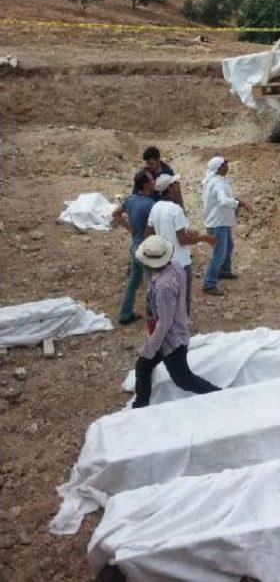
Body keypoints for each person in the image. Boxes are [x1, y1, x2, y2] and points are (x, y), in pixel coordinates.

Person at [131, 235, 220, 408]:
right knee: (143, 367)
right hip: (177, 331)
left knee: (183, 380)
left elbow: (164, 323)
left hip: (170, 340)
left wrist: (149, 348)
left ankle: (219, 395)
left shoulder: (163, 286)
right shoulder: (176, 268)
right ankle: (140, 405)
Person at [146, 173, 215, 312]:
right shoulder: (176, 210)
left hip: (163, 262)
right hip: (180, 263)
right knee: (182, 300)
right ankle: (182, 330)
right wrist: (204, 238)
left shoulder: (156, 207)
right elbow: (182, 240)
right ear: (170, 188)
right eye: (176, 184)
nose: (178, 187)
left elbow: (148, 234)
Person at [202, 156, 252, 296]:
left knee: (229, 246)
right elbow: (223, 200)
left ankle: (224, 271)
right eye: (225, 164)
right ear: (219, 167)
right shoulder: (216, 183)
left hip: (221, 221)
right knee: (219, 253)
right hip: (217, 223)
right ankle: (209, 283)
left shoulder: (218, 181)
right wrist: (239, 203)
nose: (227, 166)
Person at [113, 169, 156, 325]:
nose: (154, 182)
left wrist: (129, 228)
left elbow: (116, 214)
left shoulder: (130, 199)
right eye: (152, 181)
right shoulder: (150, 204)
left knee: (133, 281)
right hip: (145, 249)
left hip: (134, 245)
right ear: (145, 185)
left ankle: (125, 314)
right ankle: (156, 318)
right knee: (153, 284)